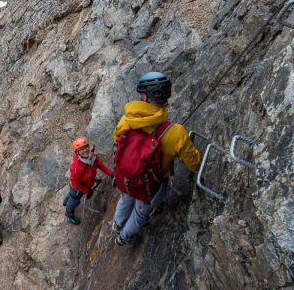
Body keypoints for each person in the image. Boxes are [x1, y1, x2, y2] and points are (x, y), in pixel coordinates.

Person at [111, 72, 201, 245]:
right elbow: (194, 163)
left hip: (126, 177)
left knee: (126, 199)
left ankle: (117, 224)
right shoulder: (176, 132)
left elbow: (117, 140)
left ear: (145, 97)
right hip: (151, 185)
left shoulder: (126, 120)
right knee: (140, 213)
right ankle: (122, 238)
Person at [63, 137, 113, 225]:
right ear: (77, 152)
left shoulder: (92, 157)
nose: (85, 150)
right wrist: (87, 191)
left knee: (71, 195)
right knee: (75, 200)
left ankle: (66, 201)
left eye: (86, 147)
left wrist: (111, 174)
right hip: (78, 188)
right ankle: (69, 215)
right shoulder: (76, 167)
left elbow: (101, 166)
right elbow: (75, 184)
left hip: (85, 184)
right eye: (81, 149)